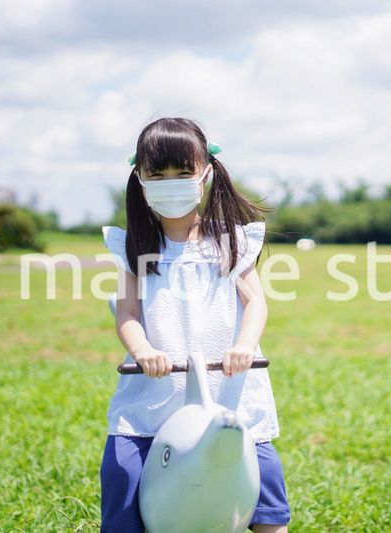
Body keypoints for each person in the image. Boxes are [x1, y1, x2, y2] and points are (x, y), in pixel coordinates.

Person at [99, 117, 291, 532]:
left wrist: (245, 345)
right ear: (140, 179)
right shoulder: (134, 245)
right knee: (123, 475)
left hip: (228, 393)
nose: (171, 183)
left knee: (265, 491)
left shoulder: (229, 241)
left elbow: (255, 302)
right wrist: (143, 351)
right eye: (158, 175)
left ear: (205, 174)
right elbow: (127, 313)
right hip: (154, 394)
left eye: (183, 172)